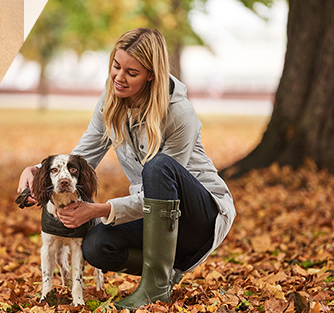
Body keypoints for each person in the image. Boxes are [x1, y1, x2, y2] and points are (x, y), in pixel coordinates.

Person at [17, 28, 235, 309]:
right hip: (157, 215)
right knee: (95, 246)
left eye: (131, 73)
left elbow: (163, 186)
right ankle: (169, 272)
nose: (119, 77)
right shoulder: (110, 102)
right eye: (116, 66)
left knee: (157, 167)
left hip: (200, 215)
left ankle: (154, 288)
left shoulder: (180, 114)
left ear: (151, 75)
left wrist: (102, 209)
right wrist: (37, 172)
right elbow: (82, 157)